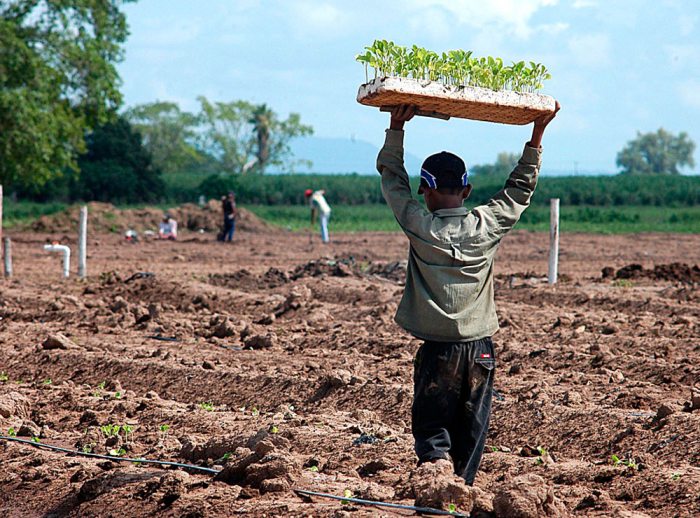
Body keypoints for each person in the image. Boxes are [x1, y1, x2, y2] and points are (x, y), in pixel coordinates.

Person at [377, 103, 560, 488]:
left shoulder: (421, 226)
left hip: (438, 351)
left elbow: (393, 181)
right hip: (480, 351)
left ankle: (437, 488)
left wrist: (396, 126)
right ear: (467, 190)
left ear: (426, 191)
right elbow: (520, 188)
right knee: (471, 432)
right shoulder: (486, 225)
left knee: (432, 430)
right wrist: (537, 132)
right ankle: (461, 492)